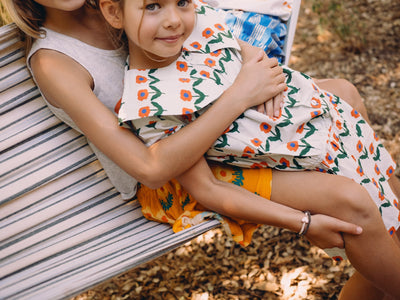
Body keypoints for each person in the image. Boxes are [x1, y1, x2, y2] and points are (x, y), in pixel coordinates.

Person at [2, 0, 392, 299]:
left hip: (220, 128)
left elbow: (227, 41)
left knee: (342, 94)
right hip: (177, 171)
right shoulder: (55, 60)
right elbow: (150, 167)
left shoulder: (119, 4)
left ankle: (382, 256)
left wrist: (259, 70)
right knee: (351, 201)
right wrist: (240, 96)